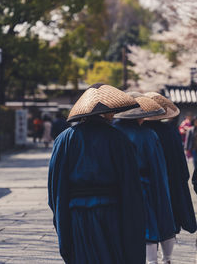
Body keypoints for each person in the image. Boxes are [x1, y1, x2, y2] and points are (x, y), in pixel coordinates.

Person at [48, 83, 146, 264]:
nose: (113, 115)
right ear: (104, 113)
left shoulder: (64, 139)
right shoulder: (118, 139)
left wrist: (61, 215)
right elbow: (130, 184)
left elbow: (55, 185)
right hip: (111, 212)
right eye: (111, 111)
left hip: (77, 214)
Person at [114, 92, 176, 264]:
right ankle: (153, 261)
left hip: (114, 189)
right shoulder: (147, 135)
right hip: (143, 187)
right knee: (147, 227)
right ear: (141, 117)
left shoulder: (111, 133)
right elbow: (157, 168)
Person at [144, 92, 197, 262]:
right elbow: (182, 164)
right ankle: (167, 258)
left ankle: (152, 260)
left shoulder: (140, 132)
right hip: (171, 182)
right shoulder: (171, 132)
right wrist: (182, 180)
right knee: (169, 220)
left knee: (149, 222)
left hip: (146, 183)